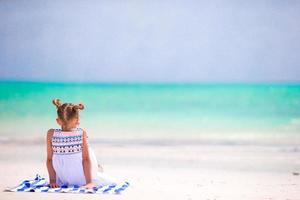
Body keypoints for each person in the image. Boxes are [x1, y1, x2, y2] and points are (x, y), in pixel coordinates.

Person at [46, 99, 115, 189]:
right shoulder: (81, 133)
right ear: (77, 120)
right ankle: (97, 169)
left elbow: (49, 160)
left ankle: (98, 168)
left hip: (63, 178)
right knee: (87, 151)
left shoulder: (51, 134)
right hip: (82, 179)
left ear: (58, 121)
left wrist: (52, 181)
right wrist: (89, 182)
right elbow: (86, 159)